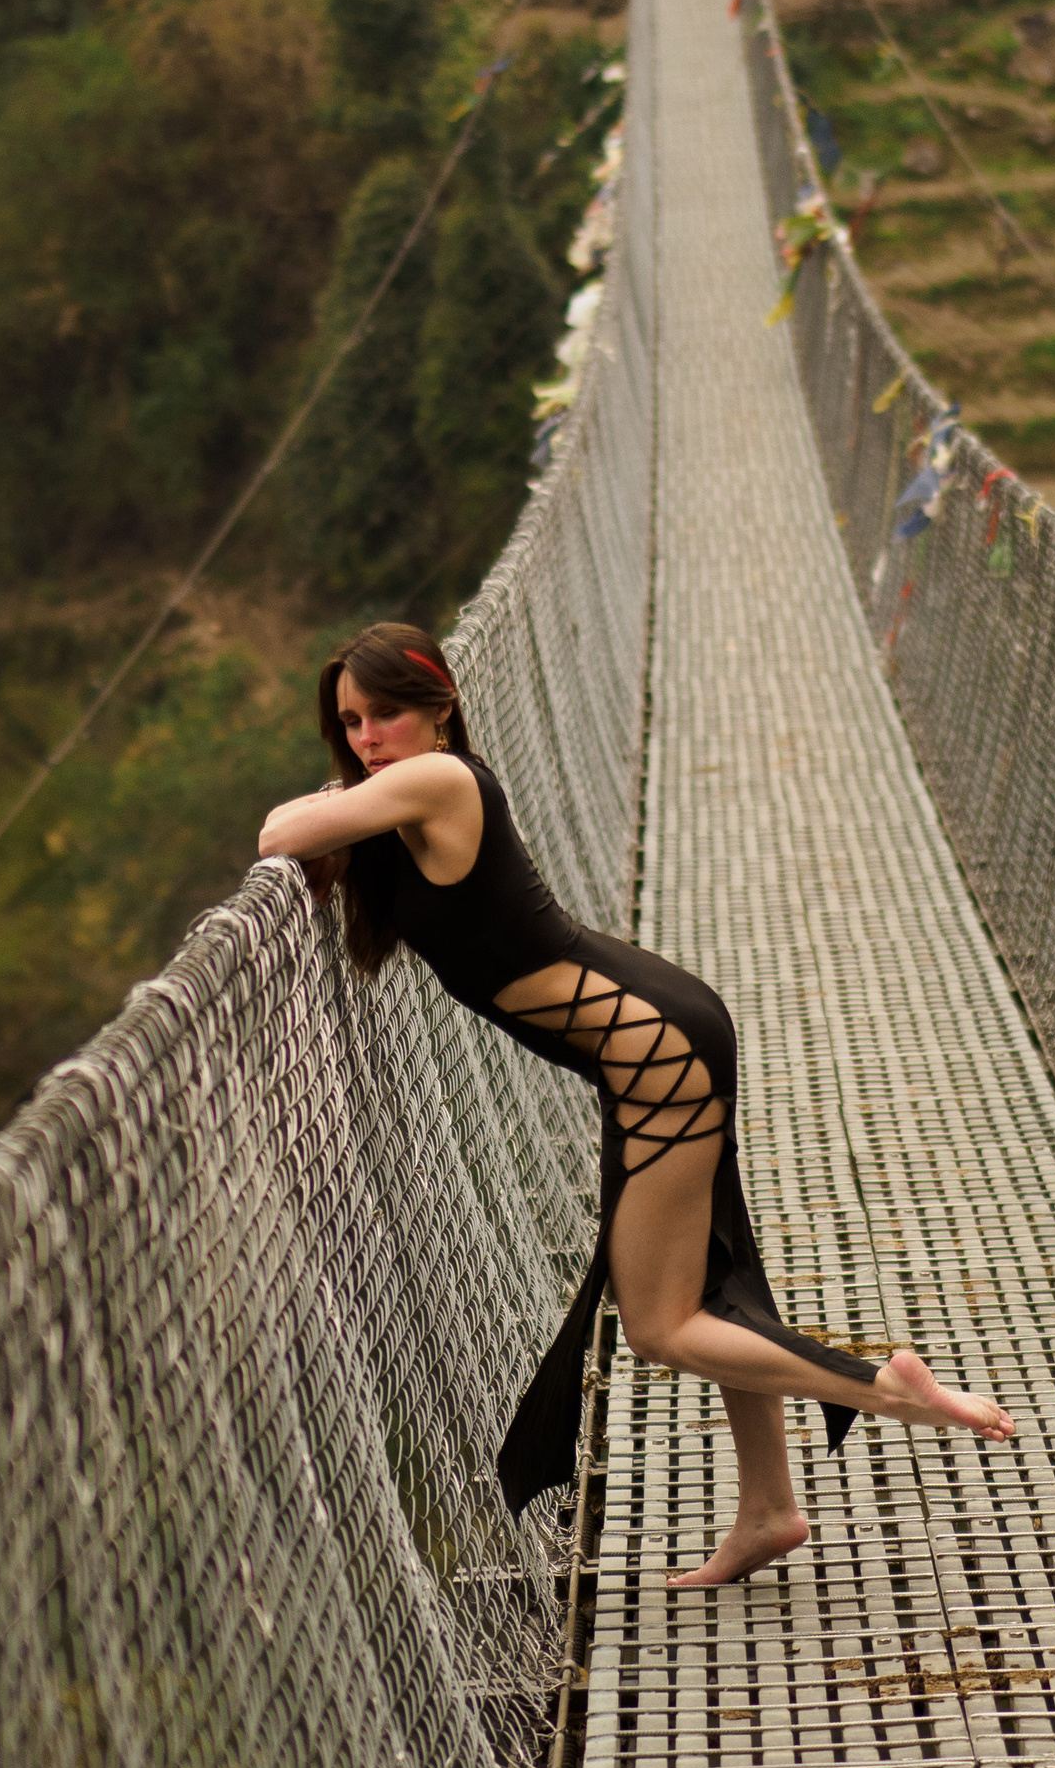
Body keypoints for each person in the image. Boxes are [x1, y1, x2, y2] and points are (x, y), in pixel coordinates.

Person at [259, 620, 1015, 1589]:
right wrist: (351, 801)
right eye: (351, 720)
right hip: (659, 1035)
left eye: (386, 713)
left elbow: (278, 832)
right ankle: (769, 1507)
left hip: (654, 1052)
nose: (366, 736)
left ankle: (887, 1389)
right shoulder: (408, 796)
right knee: (714, 1276)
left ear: (440, 706)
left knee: (660, 1322)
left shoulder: (436, 778)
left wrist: (335, 796)